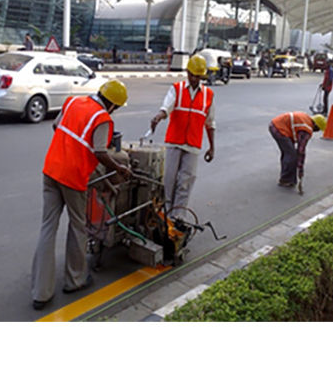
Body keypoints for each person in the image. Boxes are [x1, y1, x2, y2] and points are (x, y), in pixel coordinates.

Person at [31, 79, 132, 310]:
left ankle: (40, 291)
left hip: (51, 170)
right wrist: (120, 168)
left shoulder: (73, 102)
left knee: (48, 226)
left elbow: (57, 127)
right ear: (113, 105)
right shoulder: (103, 118)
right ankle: (75, 280)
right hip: (73, 179)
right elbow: (99, 151)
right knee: (78, 226)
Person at [150, 55, 215, 220]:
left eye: (198, 76)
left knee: (185, 183)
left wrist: (212, 147)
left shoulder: (208, 95)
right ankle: (166, 214)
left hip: (193, 145)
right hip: (174, 142)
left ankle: (178, 217)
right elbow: (167, 106)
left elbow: (210, 123)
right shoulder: (177, 89)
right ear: (187, 72)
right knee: (169, 180)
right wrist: (159, 116)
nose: (194, 79)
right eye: (192, 75)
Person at [269, 112, 326, 188]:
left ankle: (289, 178)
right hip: (279, 129)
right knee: (291, 155)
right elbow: (301, 151)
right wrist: (300, 169)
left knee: (288, 153)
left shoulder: (306, 119)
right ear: (316, 126)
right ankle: (285, 180)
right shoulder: (306, 129)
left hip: (275, 125)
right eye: (318, 129)